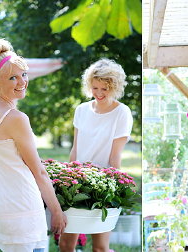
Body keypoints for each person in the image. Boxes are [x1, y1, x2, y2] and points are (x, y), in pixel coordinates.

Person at [0, 39, 67, 252]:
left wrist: (3, 195)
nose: (22, 82)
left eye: (23, 75)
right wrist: (56, 211)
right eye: (12, 77)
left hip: (3, 203)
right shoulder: (16, 118)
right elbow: (39, 171)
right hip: (24, 205)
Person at [59, 59, 134, 252]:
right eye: (95, 88)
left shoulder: (122, 113)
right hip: (77, 184)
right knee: (66, 244)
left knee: (100, 248)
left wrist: (113, 189)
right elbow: (75, 149)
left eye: (105, 89)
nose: (99, 93)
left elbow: (115, 156)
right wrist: (68, 179)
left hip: (103, 185)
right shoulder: (81, 110)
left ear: (115, 87)